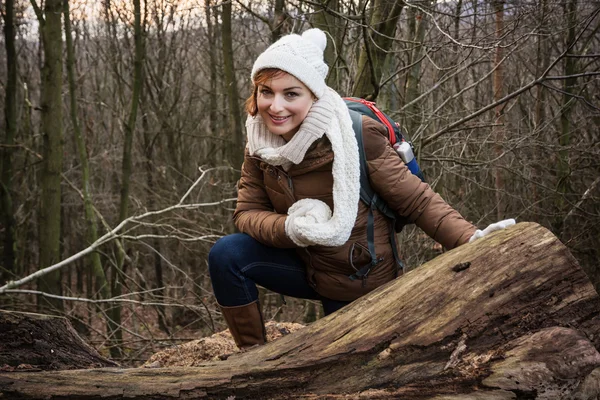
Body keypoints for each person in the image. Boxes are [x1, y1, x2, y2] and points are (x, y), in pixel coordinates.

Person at [208, 28, 514, 349]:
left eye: (291, 94)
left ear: (314, 95)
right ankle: (252, 356)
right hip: (304, 263)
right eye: (266, 91)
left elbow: (417, 201)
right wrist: (292, 228)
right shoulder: (260, 143)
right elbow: (246, 214)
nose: (275, 105)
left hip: (356, 279)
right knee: (226, 255)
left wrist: (471, 240)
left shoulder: (356, 135)